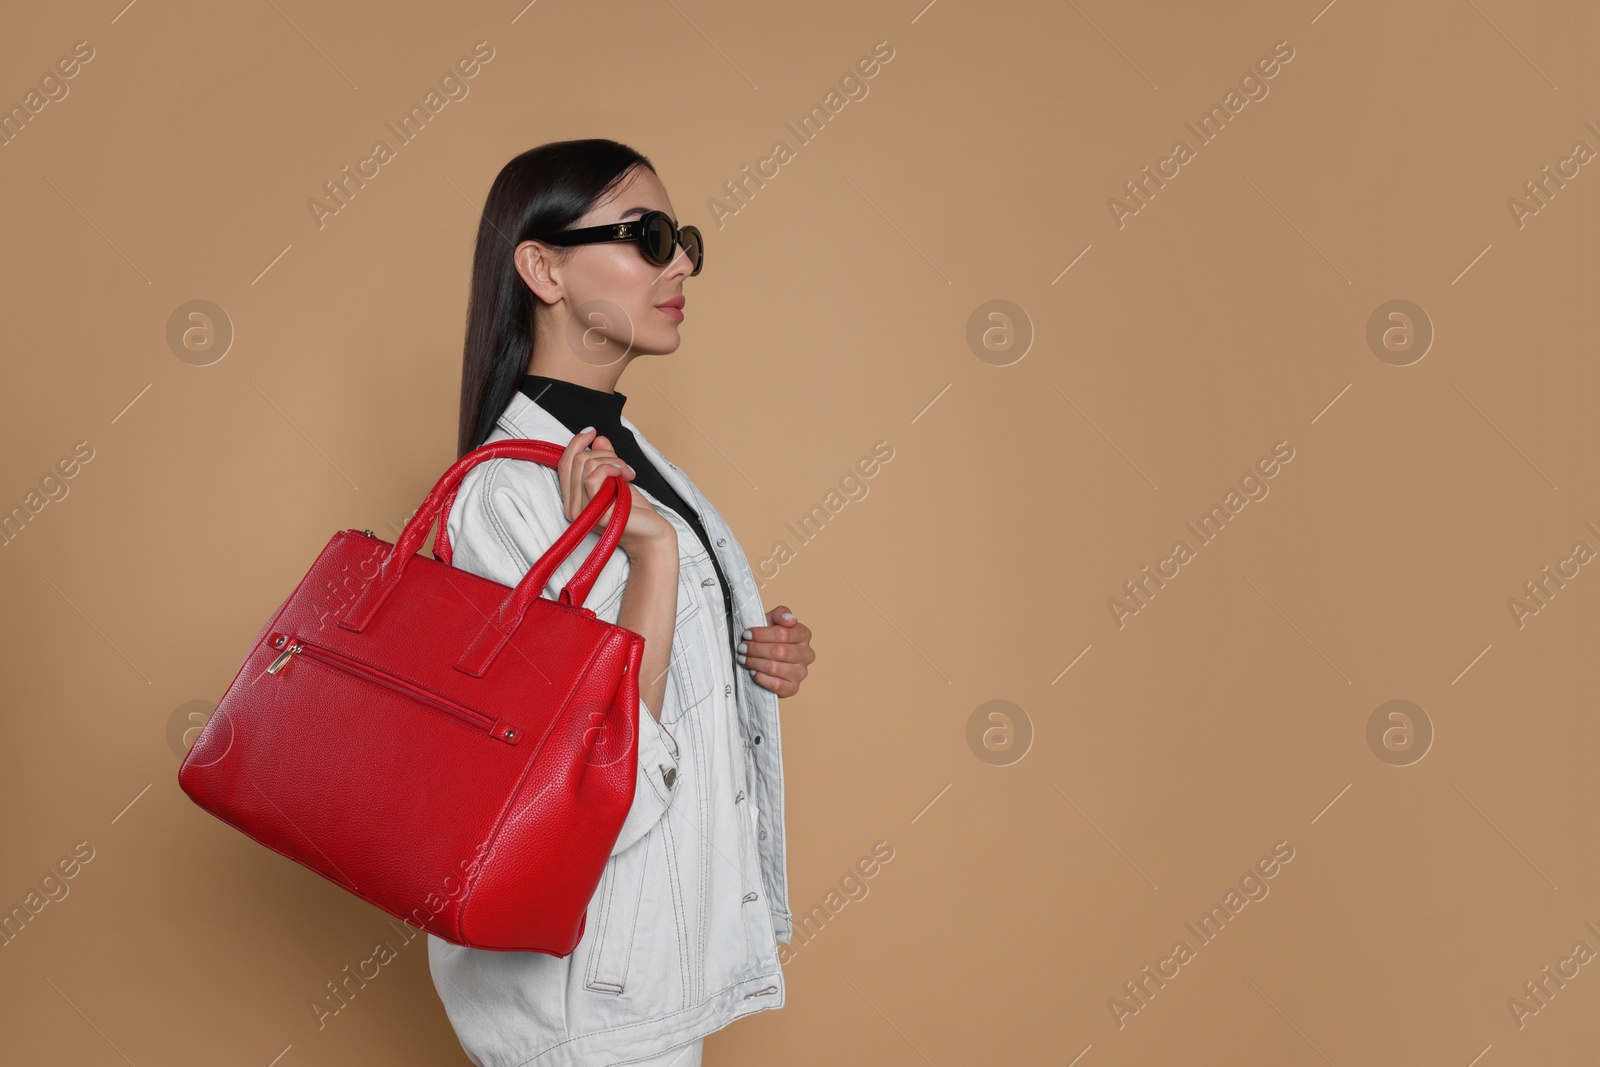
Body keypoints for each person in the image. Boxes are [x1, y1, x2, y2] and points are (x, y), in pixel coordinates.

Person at [427, 138, 816, 1067]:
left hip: (647, 967)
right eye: (645, 235)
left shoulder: (627, 450)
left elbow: (652, 687)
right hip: (583, 994)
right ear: (542, 268)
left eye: (679, 237)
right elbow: (590, 764)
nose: (679, 261)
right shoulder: (506, 498)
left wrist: (752, 658)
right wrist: (652, 559)